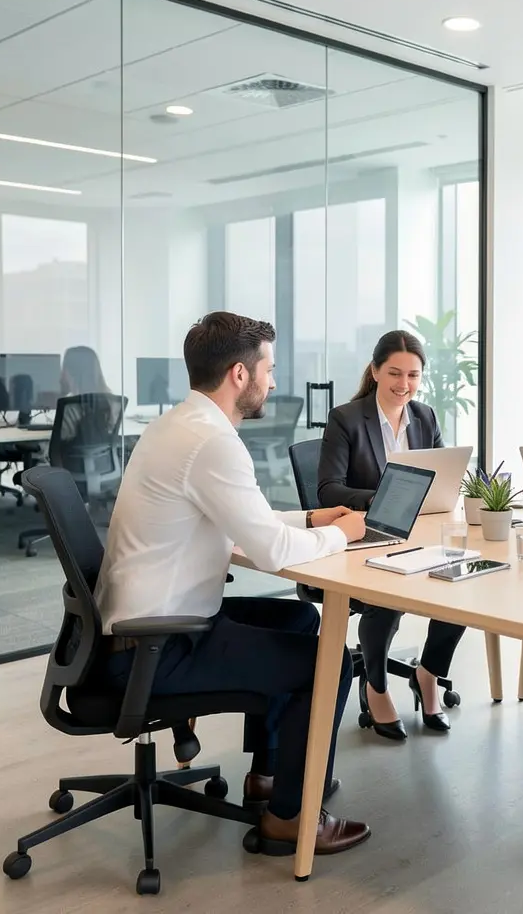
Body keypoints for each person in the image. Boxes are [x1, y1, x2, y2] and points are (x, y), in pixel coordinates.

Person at [92, 311, 372, 858]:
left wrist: (312, 521)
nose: (273, 381)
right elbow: (268, 549)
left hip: (141, 623)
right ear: (240, 375)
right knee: (330, 661)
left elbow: (247, 524)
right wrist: (342, 536)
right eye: (269, 369)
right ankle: (293, 819)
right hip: (159, 642)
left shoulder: (181, 425)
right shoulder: (212, 444)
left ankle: (271, 780)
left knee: (299, 619)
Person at [318, 330, 465, 740]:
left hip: (420, 533)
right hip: (365, 534)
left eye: (414, 375)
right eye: (395, 373)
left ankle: (429, 673)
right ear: (376, 371)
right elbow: (328, 489)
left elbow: (441, 479)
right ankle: (376, 685)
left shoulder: (426, 417)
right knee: (385, 597)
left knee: (459, 583)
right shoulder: (347, 418)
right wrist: (389, 496)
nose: (404, 385)